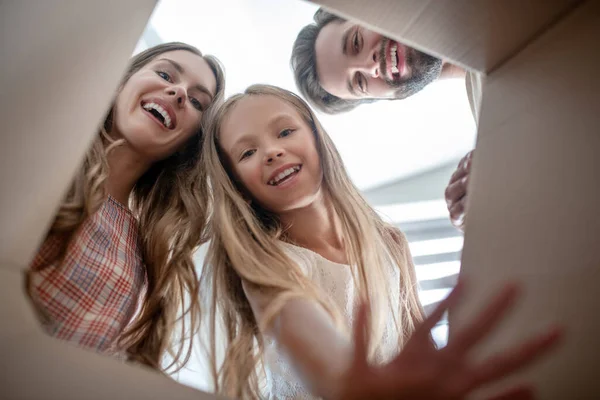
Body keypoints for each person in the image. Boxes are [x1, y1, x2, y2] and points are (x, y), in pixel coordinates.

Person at [199, 84, 561, 399]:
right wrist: (349, 381)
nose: (271, 152)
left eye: (285, 132)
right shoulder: (267, 264)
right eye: (247, 153)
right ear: (238, 187)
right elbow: (305, 335)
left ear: (316, 139)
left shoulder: (390, 242)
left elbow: (414, 342)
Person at [26, 42, 225, 371]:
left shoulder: (144, 262)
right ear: (122, 81)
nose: (177, 92)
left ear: (188, 144)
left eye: (196, 101)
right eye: (164, 74)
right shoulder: (34, 151)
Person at [291, 8, 478, 230]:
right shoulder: (491, 107)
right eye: (360, 82)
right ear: (390, 98)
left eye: (356, 42)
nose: (369, 66)